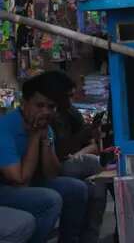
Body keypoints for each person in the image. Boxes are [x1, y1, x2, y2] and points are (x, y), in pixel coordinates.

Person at [0, 72, 88, 243]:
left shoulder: (45, 128)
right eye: (39, 105)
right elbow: (19, 179)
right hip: (4, 187)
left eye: (50, 107)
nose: (45, 112)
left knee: (77, 188)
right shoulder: (5, 128)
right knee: (49, 200)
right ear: (24, 103)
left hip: (27, 182)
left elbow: (52, 174)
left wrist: (45, 139)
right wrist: (34, 137)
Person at [47, 72, 107, 243]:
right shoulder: (49, 115)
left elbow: (92, 145)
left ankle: (90, 236)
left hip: (71, 160)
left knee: (98, 173)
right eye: (68, 96)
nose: (70, 100)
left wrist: (78, 153)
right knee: (83, 183)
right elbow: (55, 153)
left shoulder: (71, 112)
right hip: (54, 165)